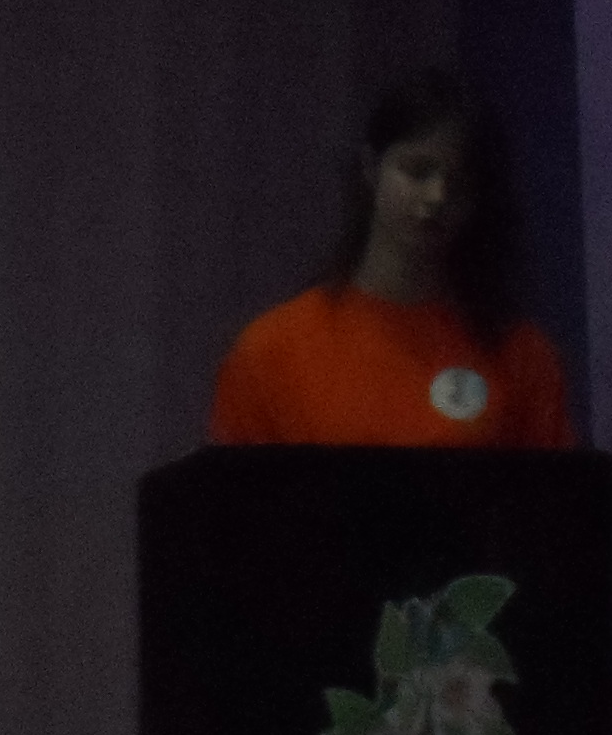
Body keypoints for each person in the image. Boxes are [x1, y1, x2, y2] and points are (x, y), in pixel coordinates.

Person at [210, 72, 577, 451]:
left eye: (459, 181)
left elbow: (554, 486)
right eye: (418, 172)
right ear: (372, 169)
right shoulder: (272, 352)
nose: (437, 196)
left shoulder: (520, 355)